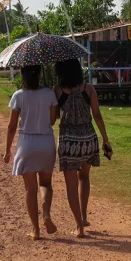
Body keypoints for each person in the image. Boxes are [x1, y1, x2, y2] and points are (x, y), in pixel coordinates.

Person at [54, 59, 112, 238]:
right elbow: (97, 115)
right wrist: (105, 140)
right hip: (88, 139)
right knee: (84, 178)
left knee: (71, 185)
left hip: (69, 142)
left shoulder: (58, 90)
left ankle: (79, 226)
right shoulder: (88, 89)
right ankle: (84, 216)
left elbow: (55, 117)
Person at [3, 65, 59, 241]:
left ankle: (35, 230)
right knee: (46, 184)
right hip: (46, 142)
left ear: (22, 75)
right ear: (40, 73)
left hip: (27, 143)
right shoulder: (49, 93)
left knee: (30, 189)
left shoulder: (18, 96)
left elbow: (12, 126)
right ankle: (47, 214)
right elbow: (52, 120)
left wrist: (7, 151)